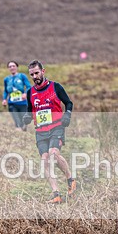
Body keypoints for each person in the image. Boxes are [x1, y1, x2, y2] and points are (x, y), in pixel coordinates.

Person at [22, 60, 77, 204]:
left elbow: (69, 103)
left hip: (56, 127)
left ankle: (70, 179)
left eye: (37, 73)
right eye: (32, 74)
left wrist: (67, 114)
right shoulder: (30, 93)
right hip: (40, 131)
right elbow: (30, 110)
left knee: (53, 154)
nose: (35, 76)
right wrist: (27, 116)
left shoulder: (55, 87)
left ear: (43, 71)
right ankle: (56, 193)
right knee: (45, 160)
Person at [1, 60, 31, 131]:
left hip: (22, 102)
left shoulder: (22, 76)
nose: (12, 68)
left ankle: (23, 132)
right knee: (16, 120)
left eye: (13, 66)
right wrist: (4, 99)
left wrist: (25, 93)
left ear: (17, 67)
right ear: (8, 68)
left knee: (23, 121)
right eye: (10, 66)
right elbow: (5, 91)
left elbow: (29, 86)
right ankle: (18, 130)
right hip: (12, 103)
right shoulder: (7, 79)